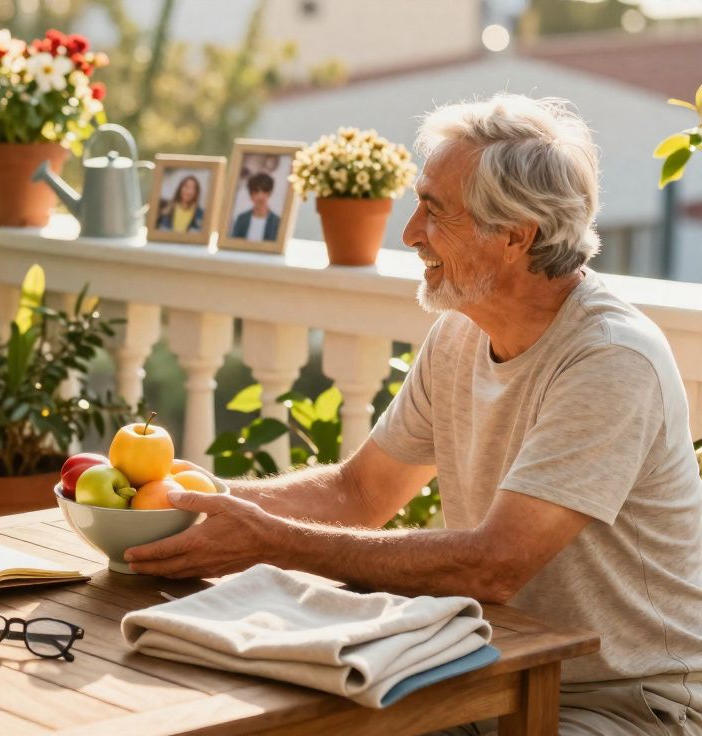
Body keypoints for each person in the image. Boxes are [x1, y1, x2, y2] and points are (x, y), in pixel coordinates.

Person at [126, 94, 702, 734]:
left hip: (625, 703)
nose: (410, 234)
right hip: (490, 672)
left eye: (435, 211)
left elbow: (495, 564)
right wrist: (197, 502)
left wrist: (271, 541)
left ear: (516, 234)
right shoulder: (461, 332)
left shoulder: (609, 360)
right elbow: (359, 490)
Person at [229, 172, 280, 241]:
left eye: (264, 191)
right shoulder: (241, 219)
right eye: (256, 192)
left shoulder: (276, 222)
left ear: (270, 193)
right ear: (251, 195)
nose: (260, 196)